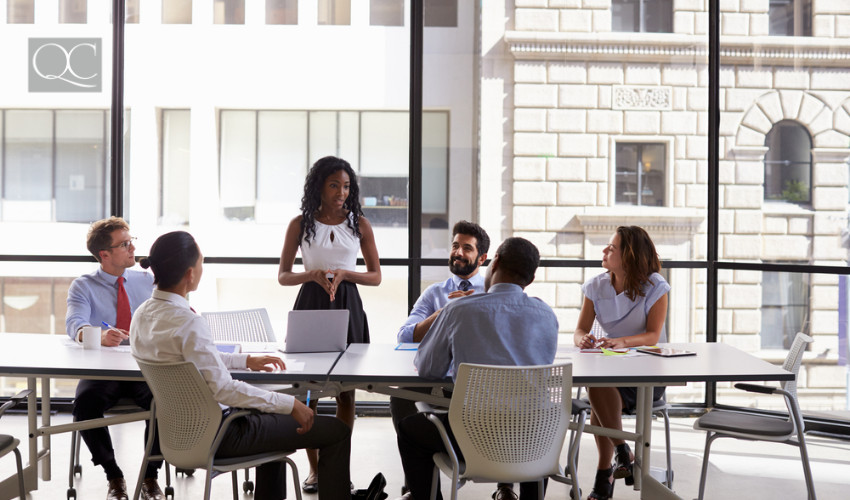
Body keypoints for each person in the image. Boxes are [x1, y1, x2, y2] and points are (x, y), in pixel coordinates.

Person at [131, 231, 352, 500]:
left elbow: (191, 361)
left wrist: (244, 360)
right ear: (190, 274)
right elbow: (225, 390)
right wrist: (290, 404)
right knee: (336, 431)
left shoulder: (141, 315)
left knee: (274, 424)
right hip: (222, 434)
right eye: (201, 263)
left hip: (177, 436)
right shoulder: (187, 322)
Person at [396, 237, 558, 500]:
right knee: (534, 425)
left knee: (409, 430)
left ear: (495, 263)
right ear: (531, 277)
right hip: (531, 440)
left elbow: (428, 370)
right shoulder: (546, 315)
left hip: (471, 437)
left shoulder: (459, 311)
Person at [277, 156, 381, 493]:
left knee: (346, 393)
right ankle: (316, 469)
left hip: (348, 304)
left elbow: (376, 276)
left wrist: (345, 273)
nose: (341, 192)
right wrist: (313, 274)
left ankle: (339, 468)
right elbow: (283, 276)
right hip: (311, 303)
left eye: (346, 186)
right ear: (319, 186)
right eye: (334, 185)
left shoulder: (359, 224)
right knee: (309, 393)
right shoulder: (299, 224)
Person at [65, 216, 164, 500]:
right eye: (125, 244)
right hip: (104, 370)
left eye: (132, 241)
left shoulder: (148, 281)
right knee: (84, 405)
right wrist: (94, 334)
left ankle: (150, 475)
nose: (133, 248)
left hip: (144, 366)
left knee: (164, 402)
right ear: (104, 254)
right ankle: (114, 476)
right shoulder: (83, 286)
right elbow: (75, 323)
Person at [573, 226, 670, 500]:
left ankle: (606, 472)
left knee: (598, 401)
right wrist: (583, 339)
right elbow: (579, 329)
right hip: (611, 369)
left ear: (629, 256)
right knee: (598, 387)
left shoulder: (655, 287)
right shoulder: (595, 286)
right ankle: (621, 452)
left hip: (647, 374)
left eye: (611, 248)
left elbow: (653, 335)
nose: (604, 251)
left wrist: (623, 341)